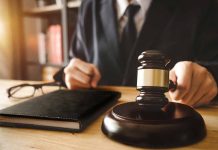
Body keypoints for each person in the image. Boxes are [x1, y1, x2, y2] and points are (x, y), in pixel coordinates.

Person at [54, 0, 218, 107]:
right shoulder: (89, 5)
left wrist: (211, 77)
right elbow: (73, 62)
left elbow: (214, 66)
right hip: (95, 127)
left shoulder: (202, 4)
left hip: (168, 127)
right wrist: (70, 73)